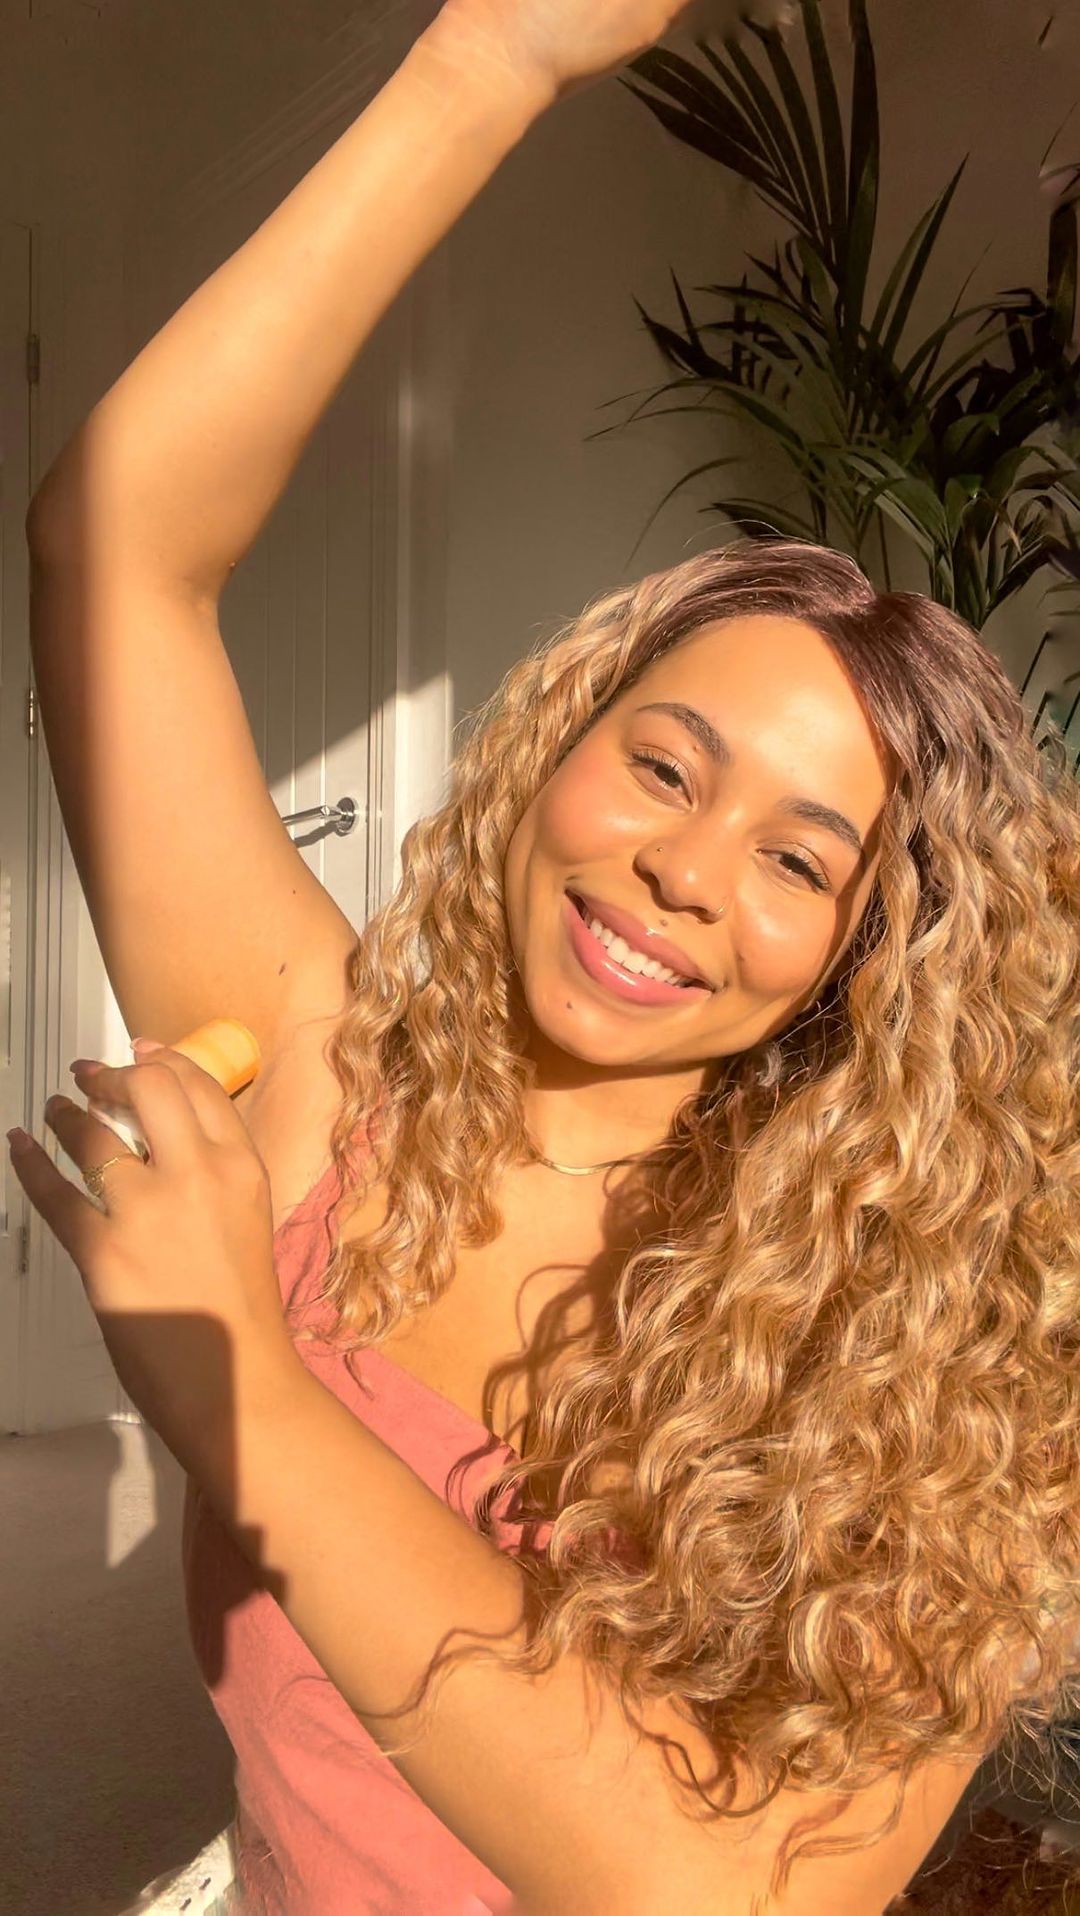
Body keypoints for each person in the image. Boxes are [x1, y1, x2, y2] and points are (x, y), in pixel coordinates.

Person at [17, 1, 1080, 1912]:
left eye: (798, 858)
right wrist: (491, 59)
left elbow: (717, 1895)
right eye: (662, 763)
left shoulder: (941, 1351)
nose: (682, 867)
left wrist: (246, 1387)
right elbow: (117, 551)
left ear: (869, 957)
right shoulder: (338, 1082)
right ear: (551, 749)